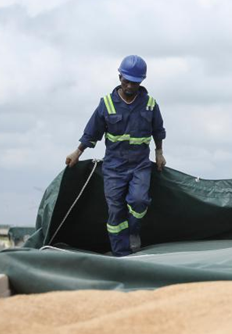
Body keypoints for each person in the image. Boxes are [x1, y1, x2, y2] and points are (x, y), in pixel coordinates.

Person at [65, 55, 166, 256]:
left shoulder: (150, 104)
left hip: (140, 165)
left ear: (141, 81)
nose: (129, 86)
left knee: (139, 201)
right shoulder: (106, 104)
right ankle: (121, 254)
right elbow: (91, 133)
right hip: (114, 168)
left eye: (134, 82)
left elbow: (158, 130)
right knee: (115, 211)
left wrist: (159, 153)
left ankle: (133, 232)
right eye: (126, 80)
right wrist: (77, 152)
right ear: (119, 76)